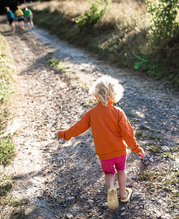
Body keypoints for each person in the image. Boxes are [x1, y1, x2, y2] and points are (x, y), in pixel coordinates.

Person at [57, 76, 145, 210]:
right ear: (113, 95)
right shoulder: (118, 112)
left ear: (96, 94)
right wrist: (135, 147)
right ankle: (123, 193)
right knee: (121, 170)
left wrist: (65, 134)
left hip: (104, 153)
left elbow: (78, 128)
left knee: (109, 173)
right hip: (119, 151)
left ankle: (111, 188)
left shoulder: (91, 113)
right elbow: (128, 133)